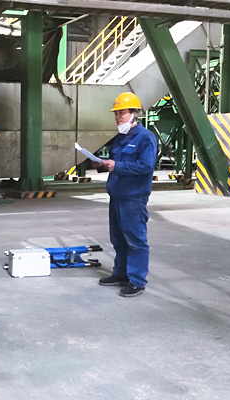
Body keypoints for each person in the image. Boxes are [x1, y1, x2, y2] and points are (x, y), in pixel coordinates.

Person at [94, 92, 157, 297]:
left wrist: (117, 166)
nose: (118, 117)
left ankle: (137, 281)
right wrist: (100, 165)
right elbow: (115, 163)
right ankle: (120, 274)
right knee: (118, 239)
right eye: (116, 113)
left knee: (136, 241)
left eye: (122, 113)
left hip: (133, 198)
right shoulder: (121, 138)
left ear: (134, 114)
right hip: (117, 196)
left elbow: (145, 166)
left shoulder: (146, 138)